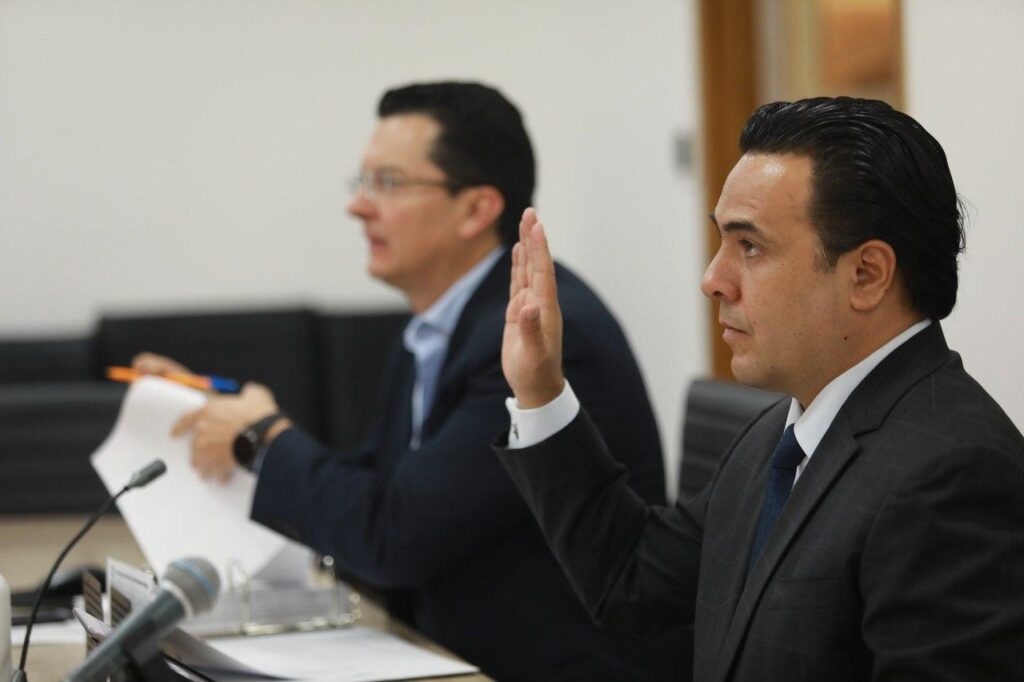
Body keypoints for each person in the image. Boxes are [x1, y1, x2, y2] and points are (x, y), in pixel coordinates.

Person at [135, 81, 687, 681]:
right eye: (363, 181)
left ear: (475, 210)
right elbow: (377, 489)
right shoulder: (437, 325)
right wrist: (228, 422)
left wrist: (263, 438)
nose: (358, 206)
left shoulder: (536, 336)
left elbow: (394, 537)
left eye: (388, 183)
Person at [497, 97, 1024, 681]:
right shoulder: (780, 433)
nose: (712, 279)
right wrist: (540, 389)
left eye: (749, 246)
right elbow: (634, 581)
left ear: (867, 274)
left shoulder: (954, 474)